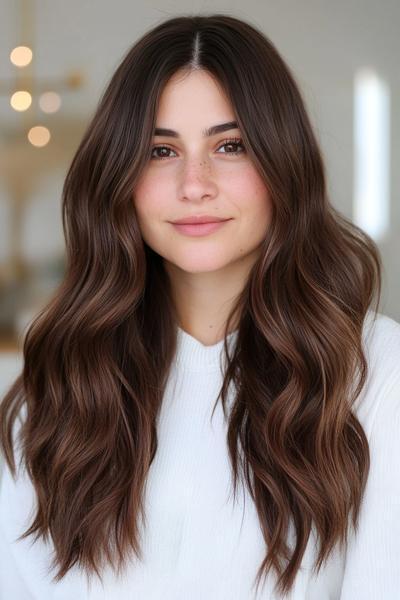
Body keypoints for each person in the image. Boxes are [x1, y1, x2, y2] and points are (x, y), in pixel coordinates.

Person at [1, 13, 399, 600]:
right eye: (161, 150)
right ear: (122, 177)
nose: (195, 184)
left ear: (282, 163)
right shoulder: (58, 381)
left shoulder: (374, 368)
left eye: (230, 146)